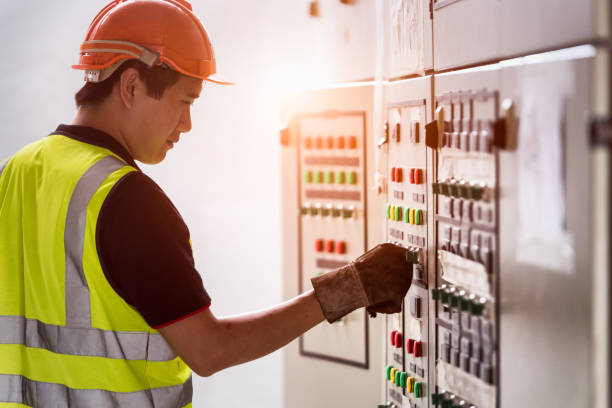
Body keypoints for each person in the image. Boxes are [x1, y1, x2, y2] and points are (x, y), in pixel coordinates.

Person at [0, 0, 414, 406]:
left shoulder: (14, 172)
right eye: (185, 102)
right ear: (130, 86)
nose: (187, 124)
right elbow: (209, 351)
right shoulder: (125, 199)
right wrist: (347, 289)